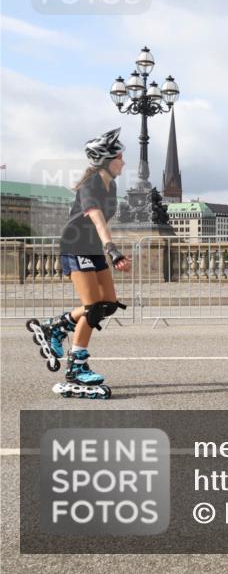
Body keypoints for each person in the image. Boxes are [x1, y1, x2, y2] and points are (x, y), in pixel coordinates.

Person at [26, 128, 131, 399]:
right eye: (120, 156)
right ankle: (77, 367)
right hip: (76, 247)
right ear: (107, 159)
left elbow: (102, 224)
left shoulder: (112, 184)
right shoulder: (91, 184)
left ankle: (56, 327)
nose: (124, 161)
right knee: (93, 307)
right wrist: (113, 250)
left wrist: (105, 247)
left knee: (107, 304)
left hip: (92, 248)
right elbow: (96, 218)